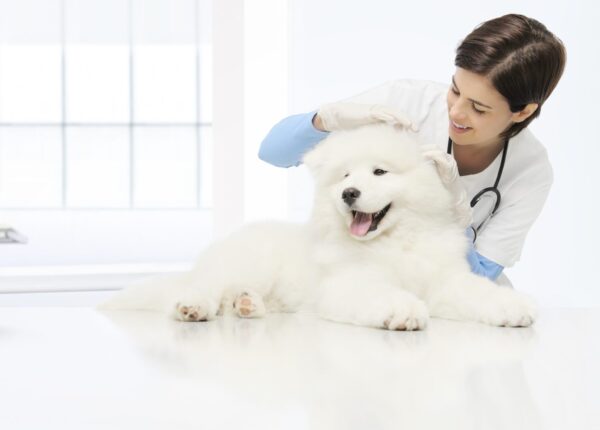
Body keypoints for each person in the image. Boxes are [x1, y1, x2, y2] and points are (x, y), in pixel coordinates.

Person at [258, 14, 566, 285]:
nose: (456, 112)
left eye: (478, 108)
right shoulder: (406, 104)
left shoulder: (530, 170)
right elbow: (273, 152)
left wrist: (456, 213)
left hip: (446, 304)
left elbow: (480, 276)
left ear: (522, 112)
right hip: (363, 278)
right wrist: (325, 119)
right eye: (455, 90)